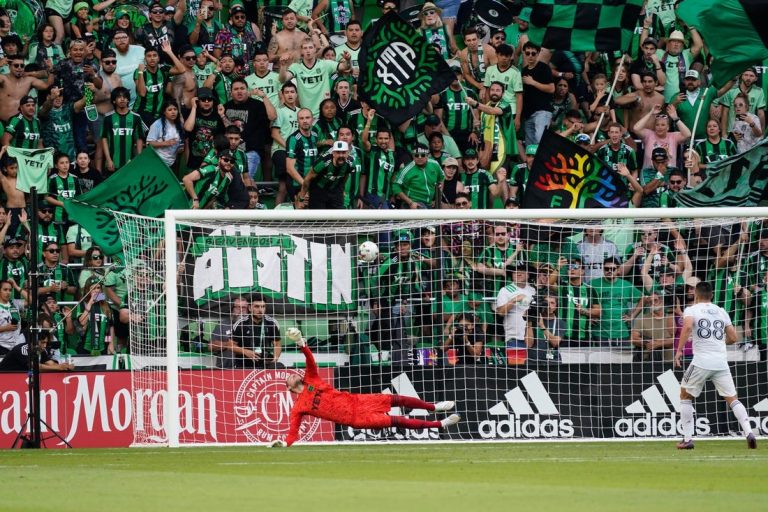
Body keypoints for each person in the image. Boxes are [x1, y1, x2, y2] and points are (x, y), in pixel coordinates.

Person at [275, 328, 460, 447]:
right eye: (289, 378)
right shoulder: (299, 407)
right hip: (357, 418)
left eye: (292, 373)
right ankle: (440, 424)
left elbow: (310, 360)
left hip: (359, 400)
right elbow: (293, 433)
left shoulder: (311, 378)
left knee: (399, 399)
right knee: (398, 420)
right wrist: (283, 444)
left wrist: (301, 343)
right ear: (290, 389)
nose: (292, 374)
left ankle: (434, 407)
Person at [673, 281, 757, 450]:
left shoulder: (691, 310)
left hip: (702, 361)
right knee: (732, 399)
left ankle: (687, 439)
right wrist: (717, 342)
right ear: (711, 295)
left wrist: (679, 350)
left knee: (685, 394)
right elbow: (734, 338)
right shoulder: (721, 311)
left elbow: (688, 327)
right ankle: (749, 432)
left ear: (696, 295)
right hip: (720, 361)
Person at [0, 329, 74, 372]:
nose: (45, 346)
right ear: (34, 341)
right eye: (42, 342)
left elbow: (50, 363)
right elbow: (33, 366)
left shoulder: (41, 350)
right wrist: (58, 367)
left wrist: (64, 367)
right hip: (5, 377)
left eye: (46, 343)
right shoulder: (23, 349)